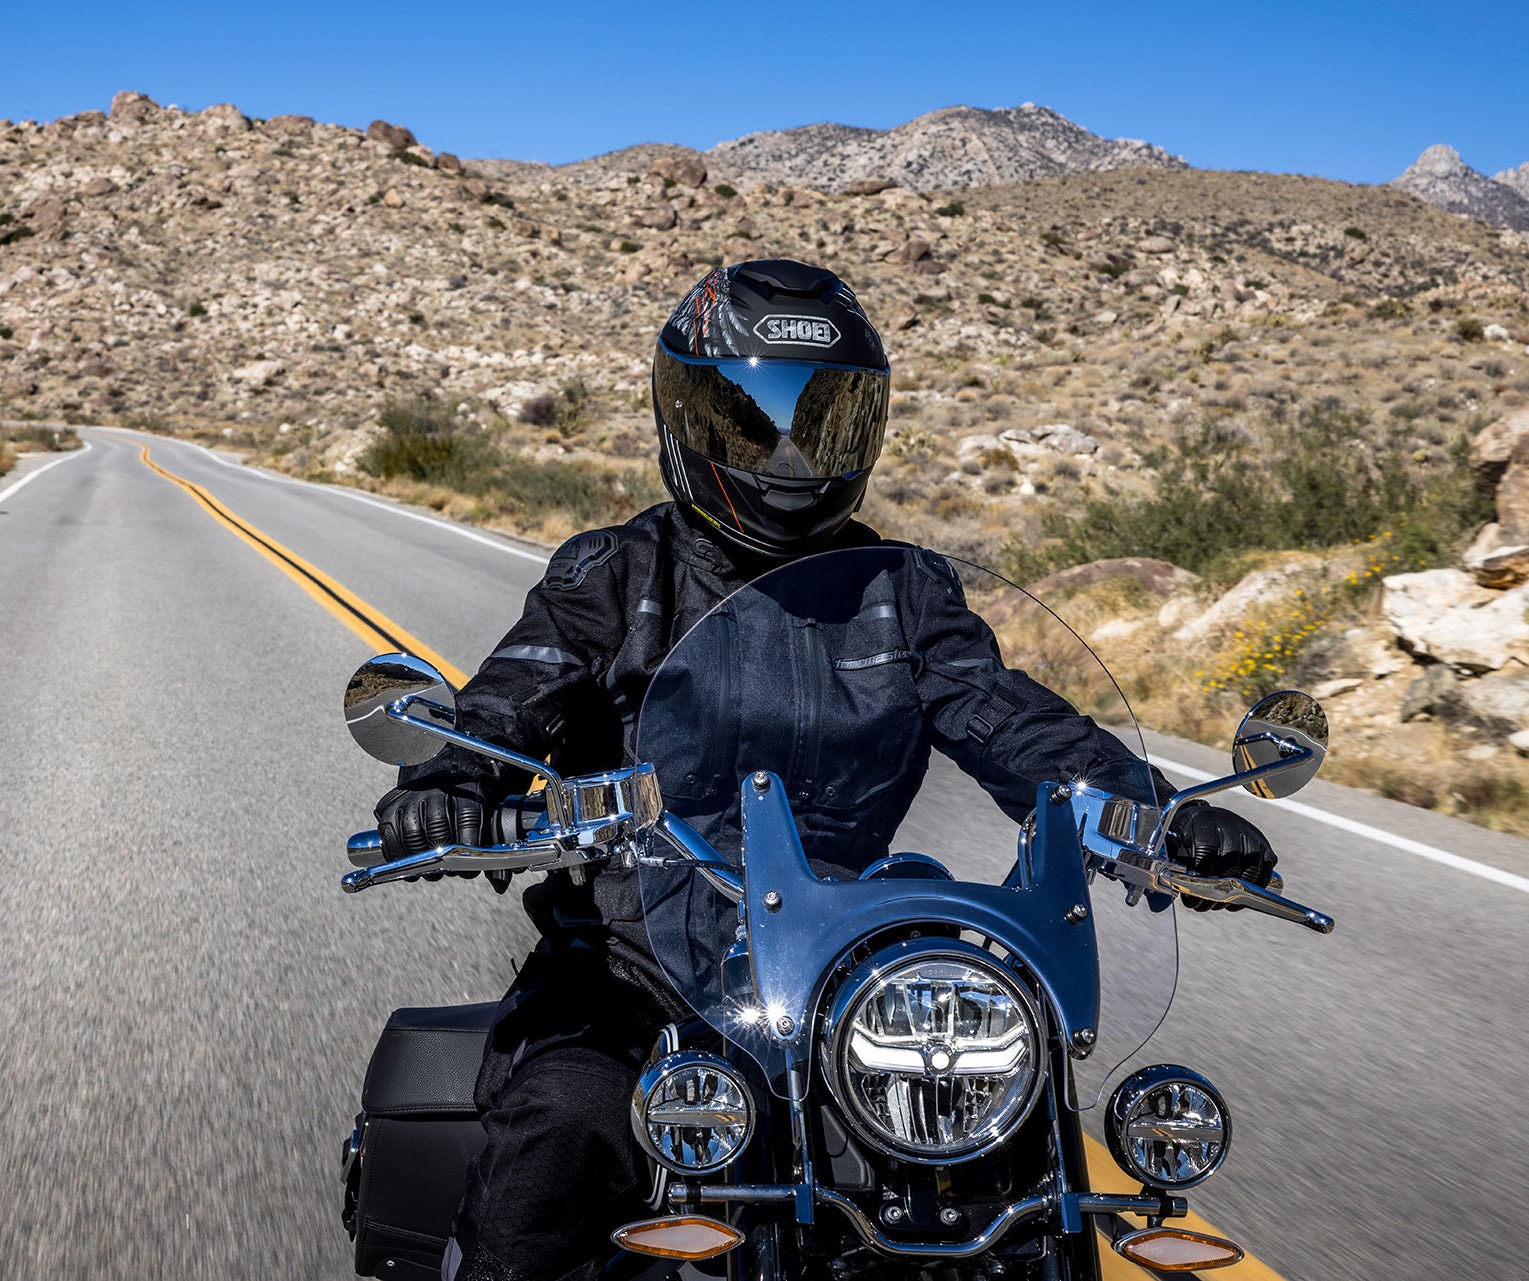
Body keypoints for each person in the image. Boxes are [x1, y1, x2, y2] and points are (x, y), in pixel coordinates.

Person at [373, 259, 1278, 1281]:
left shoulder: (903, 593)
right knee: (561, 1133)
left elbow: (1011, 720)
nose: (794, 456)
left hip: (841, 972)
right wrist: (452, 784)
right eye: (757, 423)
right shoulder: (617, 576)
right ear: (692, 419)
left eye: (826, 421)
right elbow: (516, 692)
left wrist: (1153, 818)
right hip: (636, 967)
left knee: (1011, 1143)